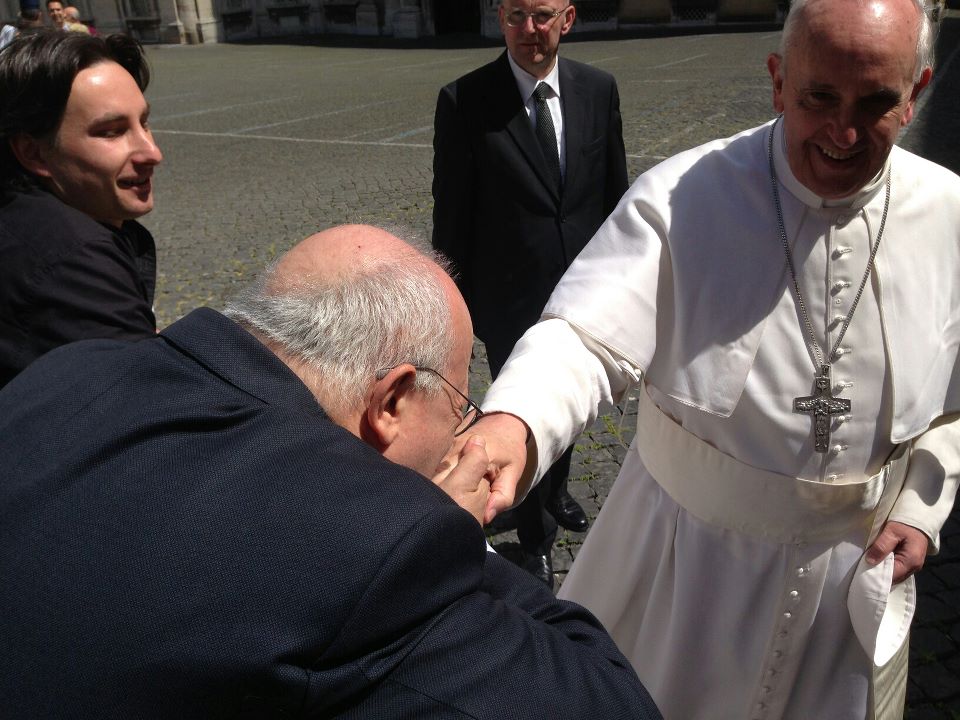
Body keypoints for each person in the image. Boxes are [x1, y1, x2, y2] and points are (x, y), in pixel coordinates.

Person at [460, 0, 960, 717]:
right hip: (685, 575)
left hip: (847, 589)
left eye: (876, 103)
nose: (844, 133)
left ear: (916, 94)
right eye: (820, 97)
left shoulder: (949, 212)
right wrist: (514, 424)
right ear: (777, 80)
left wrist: (920, 506)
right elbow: (587, 336)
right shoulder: (686, 194)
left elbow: (949, 389)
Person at [0, 224, 662, 720]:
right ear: (393, 400)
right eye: (461, 406)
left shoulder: (67, 373)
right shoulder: (376, 548)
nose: (461, 431)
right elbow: (608, 698)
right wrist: (445, 526)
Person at [432, 0, 628, 588]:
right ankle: (536, 535)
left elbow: (616, 195)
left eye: (541, 15)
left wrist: (621, 278)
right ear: (499, 18)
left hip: (582, 290)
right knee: (521, 404)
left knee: (568, 404)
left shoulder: (599, 90)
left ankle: (554, 489)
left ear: (567, 19)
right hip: (508, 296)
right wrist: (456, 307)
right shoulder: (464, 100)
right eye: (515, 15)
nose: (528, 30)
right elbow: (453, 216)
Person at [0, 31, 162, 388]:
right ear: (34, 153)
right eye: (111, 132)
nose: (152, 152)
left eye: (144, 122)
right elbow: (156, 405)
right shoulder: (74, 260)